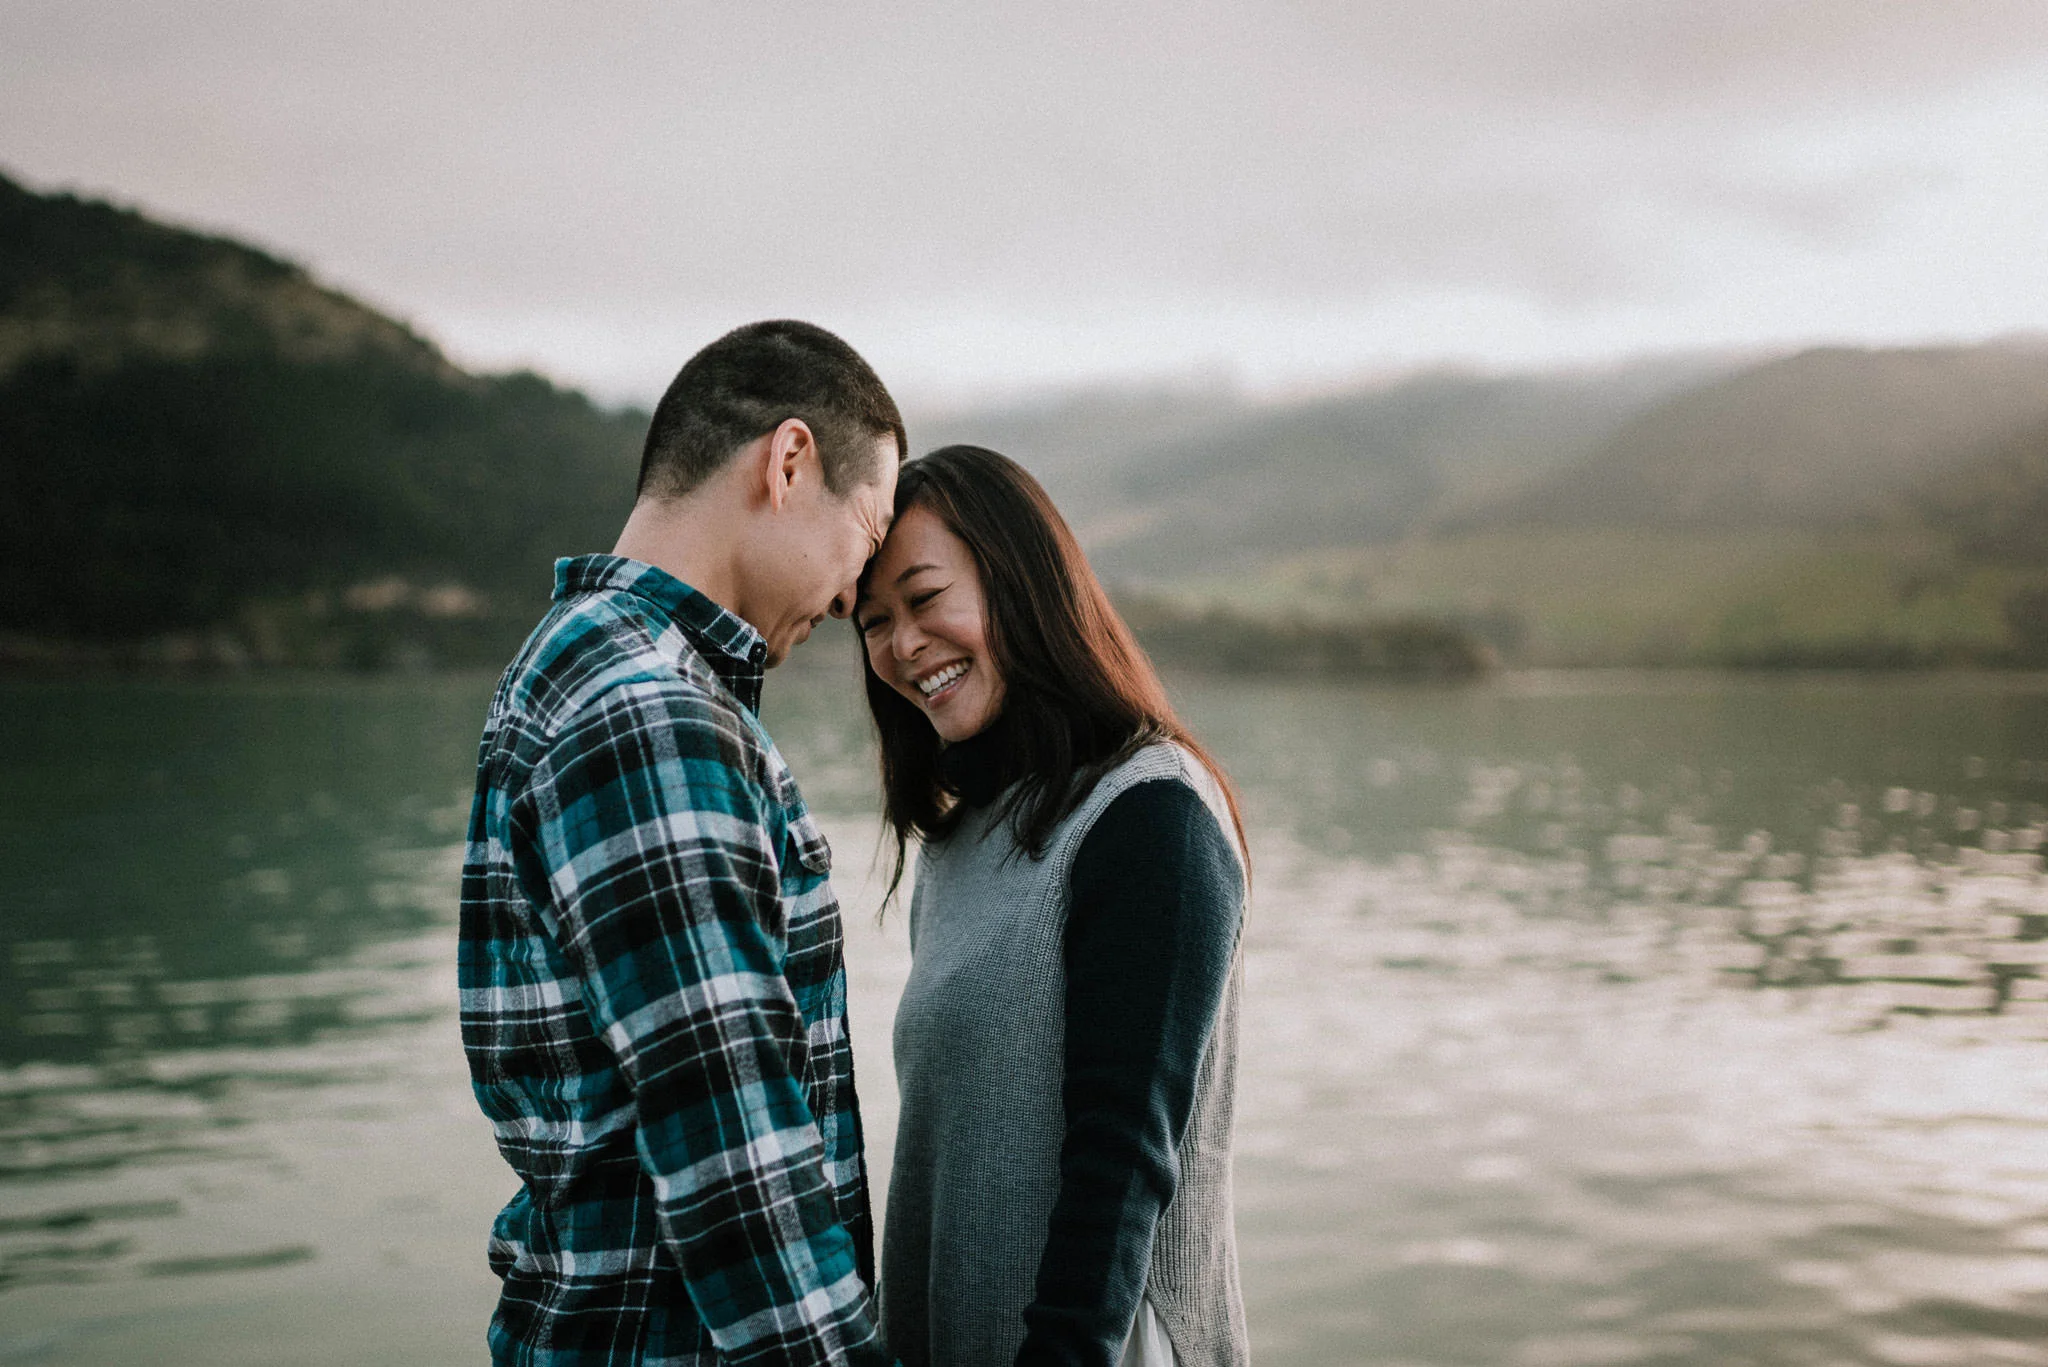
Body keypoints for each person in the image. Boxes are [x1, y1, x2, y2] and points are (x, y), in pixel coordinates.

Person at [459, 320, 903, 1366]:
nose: (852, 596)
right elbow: (737, 1163)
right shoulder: (651, 714)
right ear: (788, 461)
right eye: (866, 537)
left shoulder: (574, 664)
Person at [854, 446, 1251, 1367]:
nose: (902, 645)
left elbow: (1121, 1162)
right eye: (872, 622)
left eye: (924, 598)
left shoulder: (1150, 814)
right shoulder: (957, 841)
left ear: (1022, 584)